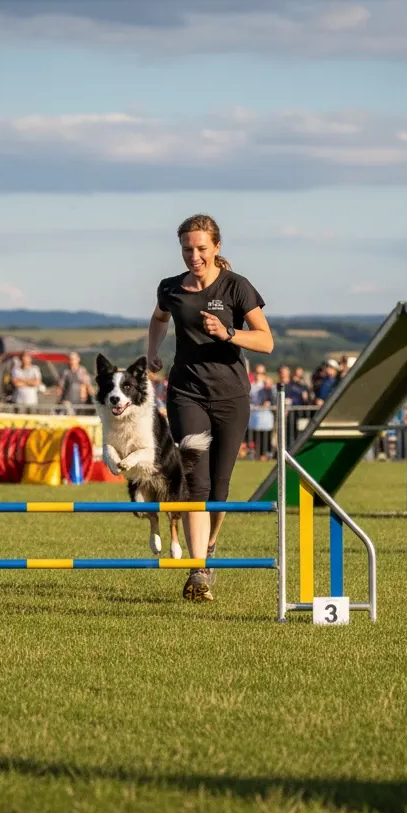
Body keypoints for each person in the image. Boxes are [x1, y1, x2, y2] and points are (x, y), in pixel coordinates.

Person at [146, 213, 274, 602]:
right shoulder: (170, 288)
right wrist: (152, 351)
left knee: (219, 487)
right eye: (188, 248)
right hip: (186, 392)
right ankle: (198, 569)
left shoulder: (237, 287)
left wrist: (229, 333)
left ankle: (210, 549)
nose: (194, 255)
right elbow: (158, 319)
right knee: (194, 483)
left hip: (231, 395)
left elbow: (266, 341)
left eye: (201, 248)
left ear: (217, 247)